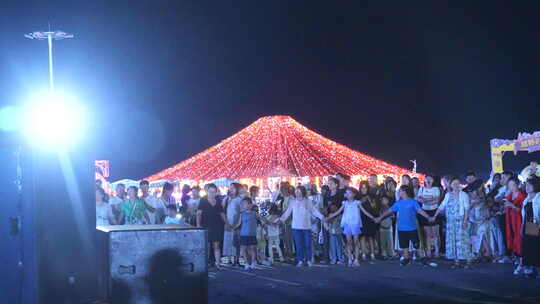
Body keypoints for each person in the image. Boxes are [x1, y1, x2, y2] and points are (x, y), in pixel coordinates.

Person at [376, 185, 431, 266]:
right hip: (401, 228)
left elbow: (420, 211)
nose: (399, 193)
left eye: (401, 191)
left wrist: (428, 217)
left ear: (405, 192)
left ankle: (422, 258)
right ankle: (406, 258)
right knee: (404, 245)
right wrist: (380, 218)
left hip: (412, 227)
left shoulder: (413, 201)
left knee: (416, 244)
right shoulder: (398, 203)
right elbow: (389, 211)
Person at [431, 177, 473, 268]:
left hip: (460, 220)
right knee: (452, 241)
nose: (456, 185)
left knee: (463, 240)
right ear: (450, 185)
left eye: (457, 183)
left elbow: (467, 208)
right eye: (454, 184)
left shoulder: (463, 195)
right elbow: (442, 206)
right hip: (450, 222)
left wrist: (465, 220)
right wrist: (435, 215)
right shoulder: (448, 195)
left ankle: (468, 261)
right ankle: (456, 261)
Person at [279, 185, 325, 267]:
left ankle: (309, 259)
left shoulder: (308, 201)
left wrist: (321, 216)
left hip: (306, 227)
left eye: (298, 191)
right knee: (298, 244)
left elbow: (314, 211)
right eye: (296, 191)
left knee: (308, 244)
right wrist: (280, 220)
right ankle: (300, 260)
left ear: (302, 192)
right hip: (296, 227)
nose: (297, 192)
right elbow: (287, 212)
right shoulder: (293, 202)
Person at [326, 187, 373, 266]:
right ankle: (350, 259)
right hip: (347, 224)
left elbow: (364, 212)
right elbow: (338, 212)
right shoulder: (344, 203)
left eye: (349, 193)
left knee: (356, 241)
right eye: (346, 193)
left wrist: (372, 217)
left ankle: (356, 259)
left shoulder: (357, 203)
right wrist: (329, 217)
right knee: (348, 242)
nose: (347, 194)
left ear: (354, 194)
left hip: (355, 224)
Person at [197, 183, 228, 269]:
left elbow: (222, 214)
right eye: (210, 192)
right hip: (205, 225)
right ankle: (206, 264)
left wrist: (227, 223)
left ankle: (218, 264)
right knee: (206, 245)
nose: (212, 193)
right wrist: (198, 224)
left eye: (214, 192)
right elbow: (199, 213)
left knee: (216, 245)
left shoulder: (218, 202)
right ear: (207, 191)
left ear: (216, 192)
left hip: (216, 225)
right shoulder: (203, 200)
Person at [503, 177, 526, 273]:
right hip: (510, 221)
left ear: (518, 185)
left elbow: (522, 210)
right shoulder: (509, 195)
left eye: (513, 185)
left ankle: (522, 264)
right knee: (512, 239)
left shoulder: (523, 196)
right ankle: (518, 260)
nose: (511, 187)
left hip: (520, 222)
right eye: (509, 185)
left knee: (519, 241)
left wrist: (511, 205)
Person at [416, 174, 442, 258]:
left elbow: (437, 200)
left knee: (435, 233)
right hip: (425, 211)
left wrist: (425, 200)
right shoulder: (421, 189)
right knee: (427, 233)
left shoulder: (436, 189)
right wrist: (430, 200)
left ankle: (437, 251)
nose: (428, 180)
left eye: (430, 178)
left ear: (433, 180)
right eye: (426, 178)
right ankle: (428, 251)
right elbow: (419, 199)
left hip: (434, 211)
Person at [521, 176, 540, 278]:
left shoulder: (539, 197)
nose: (527, 187)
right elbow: (524, 214)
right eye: (526, 185)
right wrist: (522, 227)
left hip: (535, 224)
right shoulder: (526, 199)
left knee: (536, 246)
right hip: (527, 225)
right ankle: (530, 269)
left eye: (529, 185)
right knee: (528, 247)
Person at [236, 197, 259, 270]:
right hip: (243, 234)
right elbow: (238, 223)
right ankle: (246, 263)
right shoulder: (241, 214)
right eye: (242, 204)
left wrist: (267, 223)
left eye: (244, 204)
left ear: (250, 205)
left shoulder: (254, 213)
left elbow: (262, 219)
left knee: (252, 249)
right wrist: (232, 227)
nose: (243, 205)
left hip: (252, 234)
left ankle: (252, 263)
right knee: (243, 249)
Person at [222, 183, 242, 265]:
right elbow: (222, 209)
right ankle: (229, 258)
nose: (231, 189)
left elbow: (239, 213)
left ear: (237, 189)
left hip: (235, 224)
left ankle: (236, 259)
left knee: (235, 241)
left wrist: (235, 224)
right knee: (228, 241)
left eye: (233, 188)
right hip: (227, 222)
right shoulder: (226, 199)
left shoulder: (239, 200)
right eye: (230, 188)